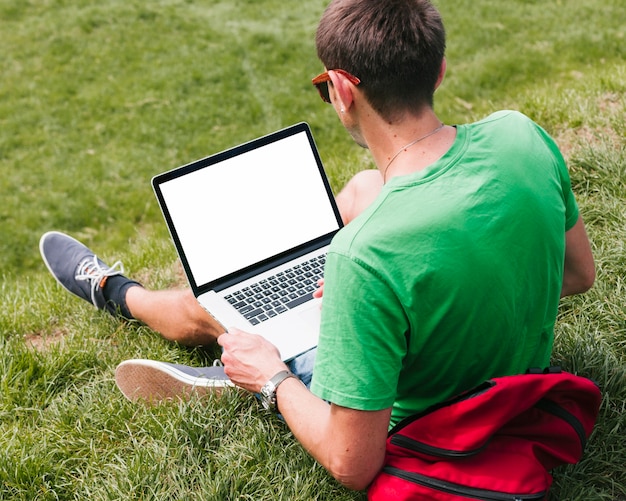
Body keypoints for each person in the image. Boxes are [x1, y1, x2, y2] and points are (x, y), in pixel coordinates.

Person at [39, 0, 596, 491]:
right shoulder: (521, 135)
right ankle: (175, 310)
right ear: (440, 69)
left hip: (424, 410)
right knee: (360, 189)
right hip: (513, 365)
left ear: (343, 90)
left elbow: (352, 463)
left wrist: (272, 377)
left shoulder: (362, 256)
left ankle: (118, 293)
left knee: (211, 306)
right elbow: (578, 275)